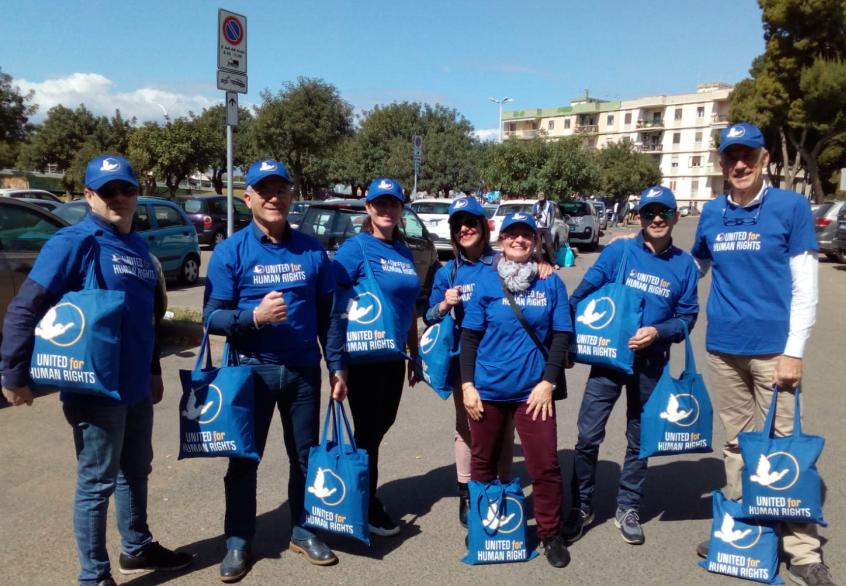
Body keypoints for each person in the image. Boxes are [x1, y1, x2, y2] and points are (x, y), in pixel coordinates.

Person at [0, 155, 192, 586]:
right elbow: (25, 308)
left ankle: (137, 547)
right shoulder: (75, 241)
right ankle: (93, 575)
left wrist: (154, 370)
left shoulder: (138, 246)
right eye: (108, 191)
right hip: (95, 387)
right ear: (89, 196)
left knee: (136, 470)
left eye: (126, 189)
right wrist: (12, 372)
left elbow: (145, 318)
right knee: (96, 483)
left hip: (136, 384)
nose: (119, 198)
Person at [691, 123, 837, 586]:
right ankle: (742, 531)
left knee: (783, 449)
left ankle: (802, 550)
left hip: (775, 352)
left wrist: (794, 352)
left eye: (748, 156)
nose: (739, 165)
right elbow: (695, 267)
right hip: (724, 350)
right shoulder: (712, 213)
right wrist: (635, 265)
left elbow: (805, 288)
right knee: (735, 446)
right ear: (720, 163)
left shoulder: (790, 208)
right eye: (731, 156)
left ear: (764, 159)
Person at [203, 159, 346, 581]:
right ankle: (238, 540)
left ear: (291, 196)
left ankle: (303, 531)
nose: (273, 197)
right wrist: (254, 318)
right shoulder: (231, 251)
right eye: (263, 190)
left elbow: (330, 315)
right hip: (251, 372)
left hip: (303, 372)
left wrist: (337, 365)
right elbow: (211, 318)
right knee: (244, 460)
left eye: (281, 189)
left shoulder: (312, 249)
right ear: (247, 199)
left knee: (304, 457)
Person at [562, 185, 699, 546]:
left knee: (640, 439)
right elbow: (582, 295)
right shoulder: (619, 250)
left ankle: (628, 508)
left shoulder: (684, 265)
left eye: (664, 213)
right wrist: (572, 339)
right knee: (588, 436)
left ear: (675, 217)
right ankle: (582, 505)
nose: (656, 218)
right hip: (609, 360)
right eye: (649, 212)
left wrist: (658, 331)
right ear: (638, 216)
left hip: (651, 363)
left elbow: (688, 317)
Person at [459, 213, 573, 568]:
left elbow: (560, 336)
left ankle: (549, 534)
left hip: (533, 392)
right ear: (502, 240)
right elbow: (470, 337)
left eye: (526, 235)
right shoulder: (486, 282)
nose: (519, 241)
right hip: (488, 390)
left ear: (536, 242)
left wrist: (548, 382)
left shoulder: (550, 283)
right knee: (482, 461)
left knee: (545, 465)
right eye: (512, 235)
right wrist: (467, 385)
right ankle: (485, 523)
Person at [332, 177, 421, 537]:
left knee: (381, 426)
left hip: (393, 355)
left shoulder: (404, 250)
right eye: (379, 204)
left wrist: (413, 351)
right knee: (368, 431)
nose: (386, 210)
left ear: (401, 209)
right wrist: (336, 365)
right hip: (362, 356)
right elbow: (335, 307)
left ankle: (361, 493)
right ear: (368, 208)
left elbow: (408, 305)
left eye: (393, 204)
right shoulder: (355, 248)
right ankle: (363, 504)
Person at [423, 197, 516, 527]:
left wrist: (544, 265)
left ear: (484, 226)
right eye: (457, 224)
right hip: (465, 364)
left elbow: (537, 284)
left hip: (503, 361)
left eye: (471, 222)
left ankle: (504, 487)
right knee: (467, 429)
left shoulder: (504, 262)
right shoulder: (448, 271)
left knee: (505, 430)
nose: (464, 229)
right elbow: (429, 316)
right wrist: (444, 306)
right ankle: (467, 493)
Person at [533, 191, 557, 263]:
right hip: (538, 227)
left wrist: (550, 226)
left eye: (542, 199)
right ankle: (539, 262)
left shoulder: (550, 205)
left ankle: (553, 263)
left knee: (549, 246)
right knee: (538, 246)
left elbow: (553, 216)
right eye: (540, 199)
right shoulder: (535, 205)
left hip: (546, 228)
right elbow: (532, 216)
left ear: (545, 198)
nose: (541, 201)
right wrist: (536, 217)